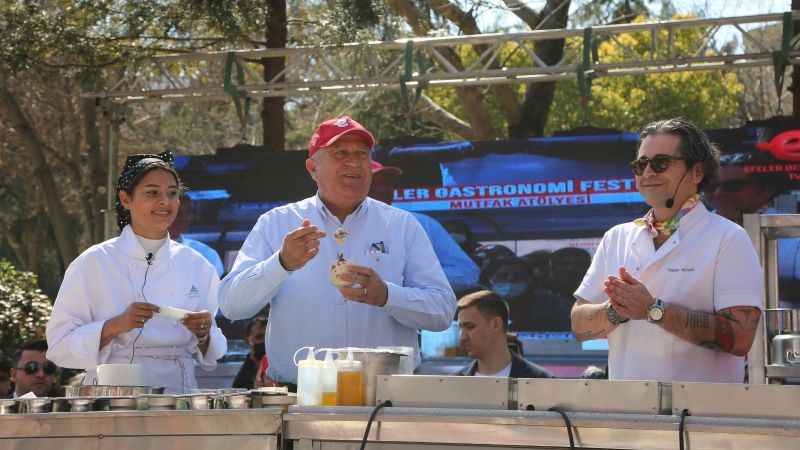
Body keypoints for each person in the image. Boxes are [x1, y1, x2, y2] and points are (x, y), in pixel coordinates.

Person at [218, 116, 456, 386]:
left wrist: (387, 295)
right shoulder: (277, 223)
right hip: (299, 395)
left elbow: (443, 311)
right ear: (312, 168)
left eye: (361, 154)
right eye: (340, 153)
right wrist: (281, 263)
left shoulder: (401, 225)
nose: (353, 163)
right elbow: (231, 305)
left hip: (385, 397)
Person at [571, 118, 763, 383]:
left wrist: (652, 309)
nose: (648, 172)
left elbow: (741, 337)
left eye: (660, 163)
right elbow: (579, 324)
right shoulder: (616, 237)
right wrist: (615, 311)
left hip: (703, 417)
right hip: (627, 415)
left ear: (697, 172)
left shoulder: (728, 238)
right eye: (640, 165)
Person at [46, 152, 227, 394]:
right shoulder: (93, 263)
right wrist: (115, 325)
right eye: (152, 193)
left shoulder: (198, 265)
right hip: (113, 396)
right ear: (125, 199)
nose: (165, 202)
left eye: (172, 194)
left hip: (177, 394)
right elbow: (59, 347)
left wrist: (203, 334)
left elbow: (214, 347)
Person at [369, 160, 480, 294]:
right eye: (373, 184)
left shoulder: (420, 223)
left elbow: (467, 271)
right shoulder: (340, 226)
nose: (384, 190)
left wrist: (411, 280)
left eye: (388, 184)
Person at [456, 290, 552, 378]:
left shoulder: (540, 380)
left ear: (496, 324)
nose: (462, 337)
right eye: (460, 328)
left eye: (470, 327)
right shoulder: (455, 383)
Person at [488, 256, 571, 331]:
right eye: (503, 276)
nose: (510, 280)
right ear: (490, 280)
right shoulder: (481, 306)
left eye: (518, 276)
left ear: (530, 281)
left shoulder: (552, 307)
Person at [169, 193, 225, 277]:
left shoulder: (206, 254)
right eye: (177, 212)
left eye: (188, 212)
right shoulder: (146, 252)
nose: (183, 217)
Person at [232, 317, 267, 389]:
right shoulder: (245, 372)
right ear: (249, 340)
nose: (264, 341)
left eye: (267, 337)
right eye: (260, 337)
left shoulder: (277, 365)